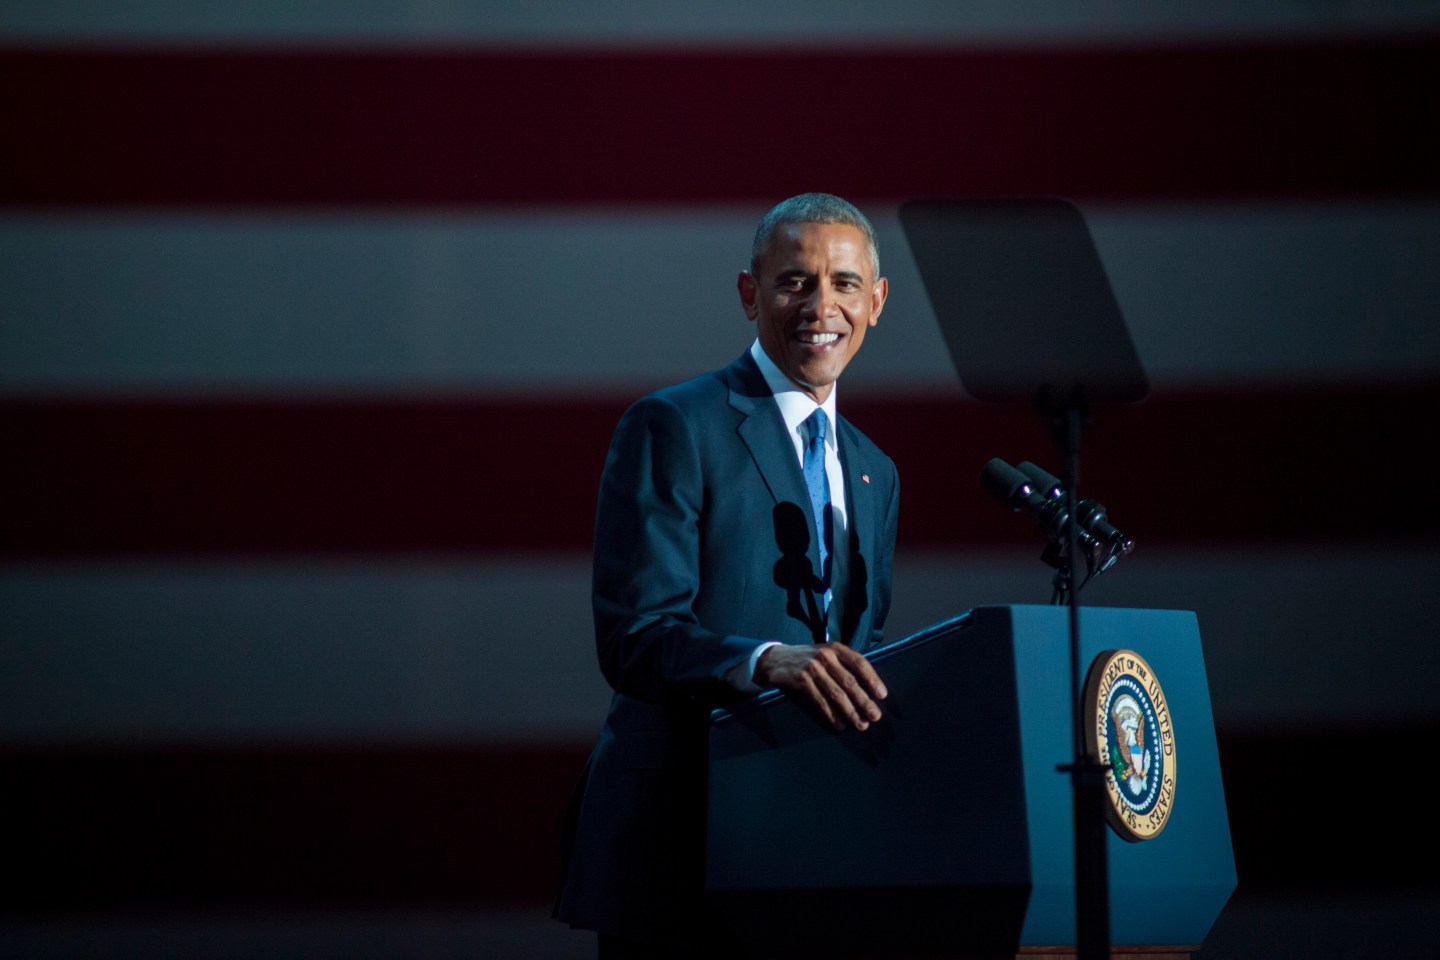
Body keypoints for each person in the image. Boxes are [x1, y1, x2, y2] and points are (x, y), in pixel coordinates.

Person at [554, 193, 899, 958]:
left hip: (813, 850)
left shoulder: (875, 471)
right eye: (794, 281)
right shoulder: (676, 426)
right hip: (684, 843)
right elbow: (635, 637)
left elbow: (859, 649)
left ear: (875, 303)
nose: (821, 306)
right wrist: (763, 662)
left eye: (844, 284)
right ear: (750, 293)